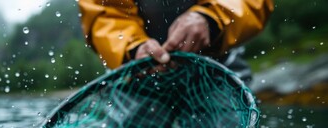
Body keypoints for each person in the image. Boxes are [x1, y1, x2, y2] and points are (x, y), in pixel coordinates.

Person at [78, 0, 274, 81]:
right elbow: (104, 12)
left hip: (218, 64)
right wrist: (132, 47)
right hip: (138, 73)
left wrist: (212, 19)